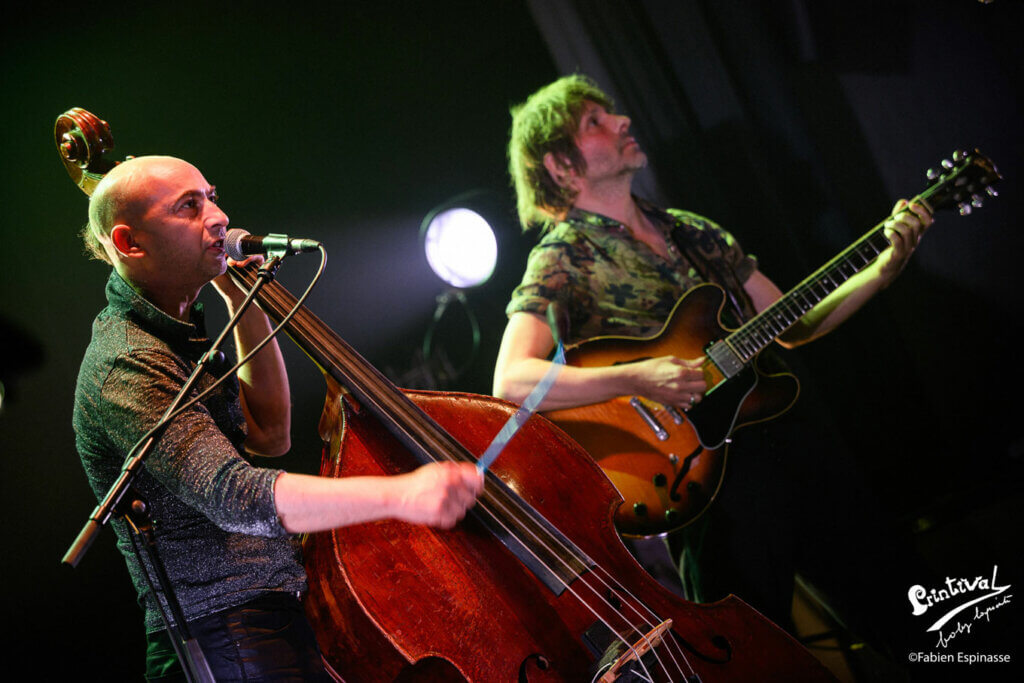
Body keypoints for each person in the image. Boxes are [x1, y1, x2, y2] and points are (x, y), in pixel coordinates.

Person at [493, 74, 932, 658]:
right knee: (755, 659)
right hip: (701, 482)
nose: (622, 122)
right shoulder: (562, 258)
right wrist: (636, 376)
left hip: (790, 444)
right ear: (561, 166)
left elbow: (793, 322)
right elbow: (512, 380)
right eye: (595, 123)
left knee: (915, 617)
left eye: (613, 113)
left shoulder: (693, 230)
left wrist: (881, 272)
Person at [73, 155, 484, 682]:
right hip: (221, 634)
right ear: (130, 243)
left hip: (260, 615)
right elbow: (236, 496)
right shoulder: (128, 362)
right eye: (189, 206)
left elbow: (270, 435)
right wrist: (401, 495)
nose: (218, 217)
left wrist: (242, 300)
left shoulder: (182, 329)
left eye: (211, 195)